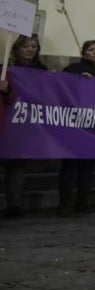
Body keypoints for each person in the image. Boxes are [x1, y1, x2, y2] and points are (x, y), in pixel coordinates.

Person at [58, 40, 95, 214]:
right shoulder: (74, 68)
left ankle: (82, 202)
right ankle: (65, 203)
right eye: (91, 50)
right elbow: (63, 86)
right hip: (75, 121)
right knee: (70, 165)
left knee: (88, 166)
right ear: (84, 53)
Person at [3, 35, 46, 218]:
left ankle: (14, 204)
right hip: (7, 121)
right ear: (17, 49)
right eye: (26, 46)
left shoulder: (42, 71)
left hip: (25, 124)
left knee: (17, 165)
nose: (30, 50)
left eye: (33, 47)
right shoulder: (6, 68)